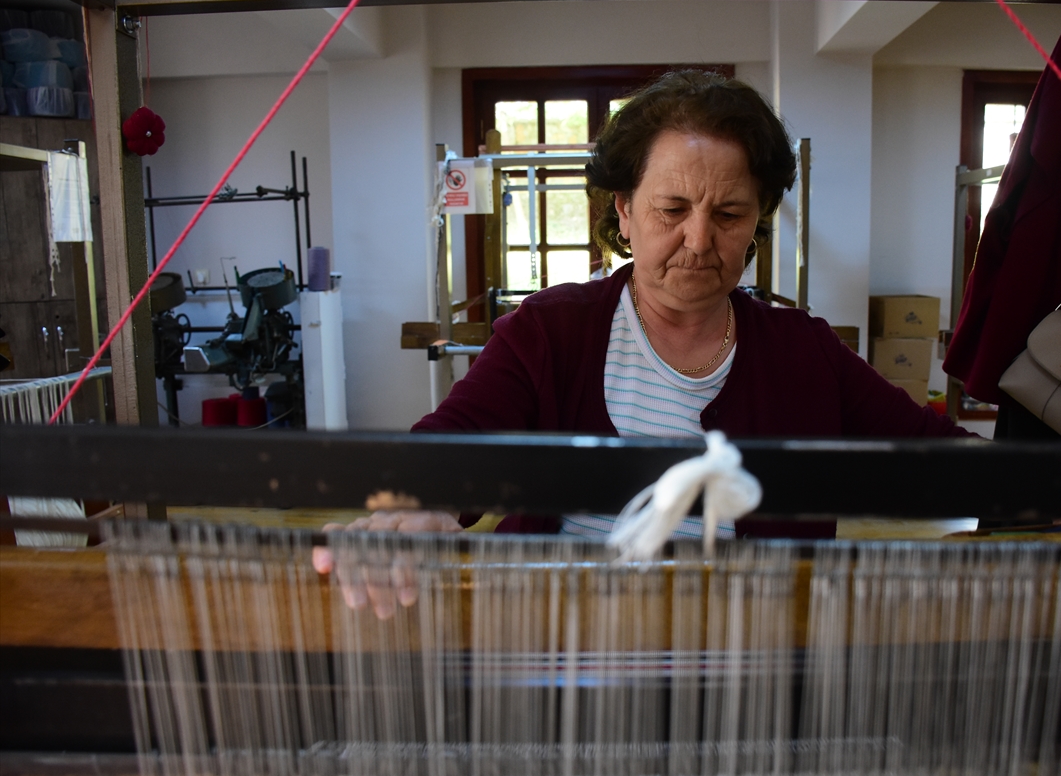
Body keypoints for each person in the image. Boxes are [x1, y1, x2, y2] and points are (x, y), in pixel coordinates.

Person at [314, 71, 972, 615]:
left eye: (729, 214)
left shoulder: (806, 354)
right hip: (561, 657)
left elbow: (942, 462)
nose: (698, 240)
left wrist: (1056, 490)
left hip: (751, 672)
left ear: (757, 224)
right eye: (672, 209)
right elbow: (457, 434)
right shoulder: (550, 332)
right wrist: (421, 504)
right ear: (624, 211)